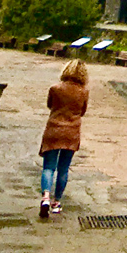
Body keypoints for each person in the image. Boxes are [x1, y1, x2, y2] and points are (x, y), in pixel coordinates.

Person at [38, 60, 88, 220]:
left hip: (54, 130)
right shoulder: (83, 92)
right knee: (63, 169)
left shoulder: (55, 88)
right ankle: (56, 202)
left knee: (48, 167)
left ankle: (45, 197)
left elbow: (50, 105)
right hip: (71, 132)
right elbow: (82, 111)